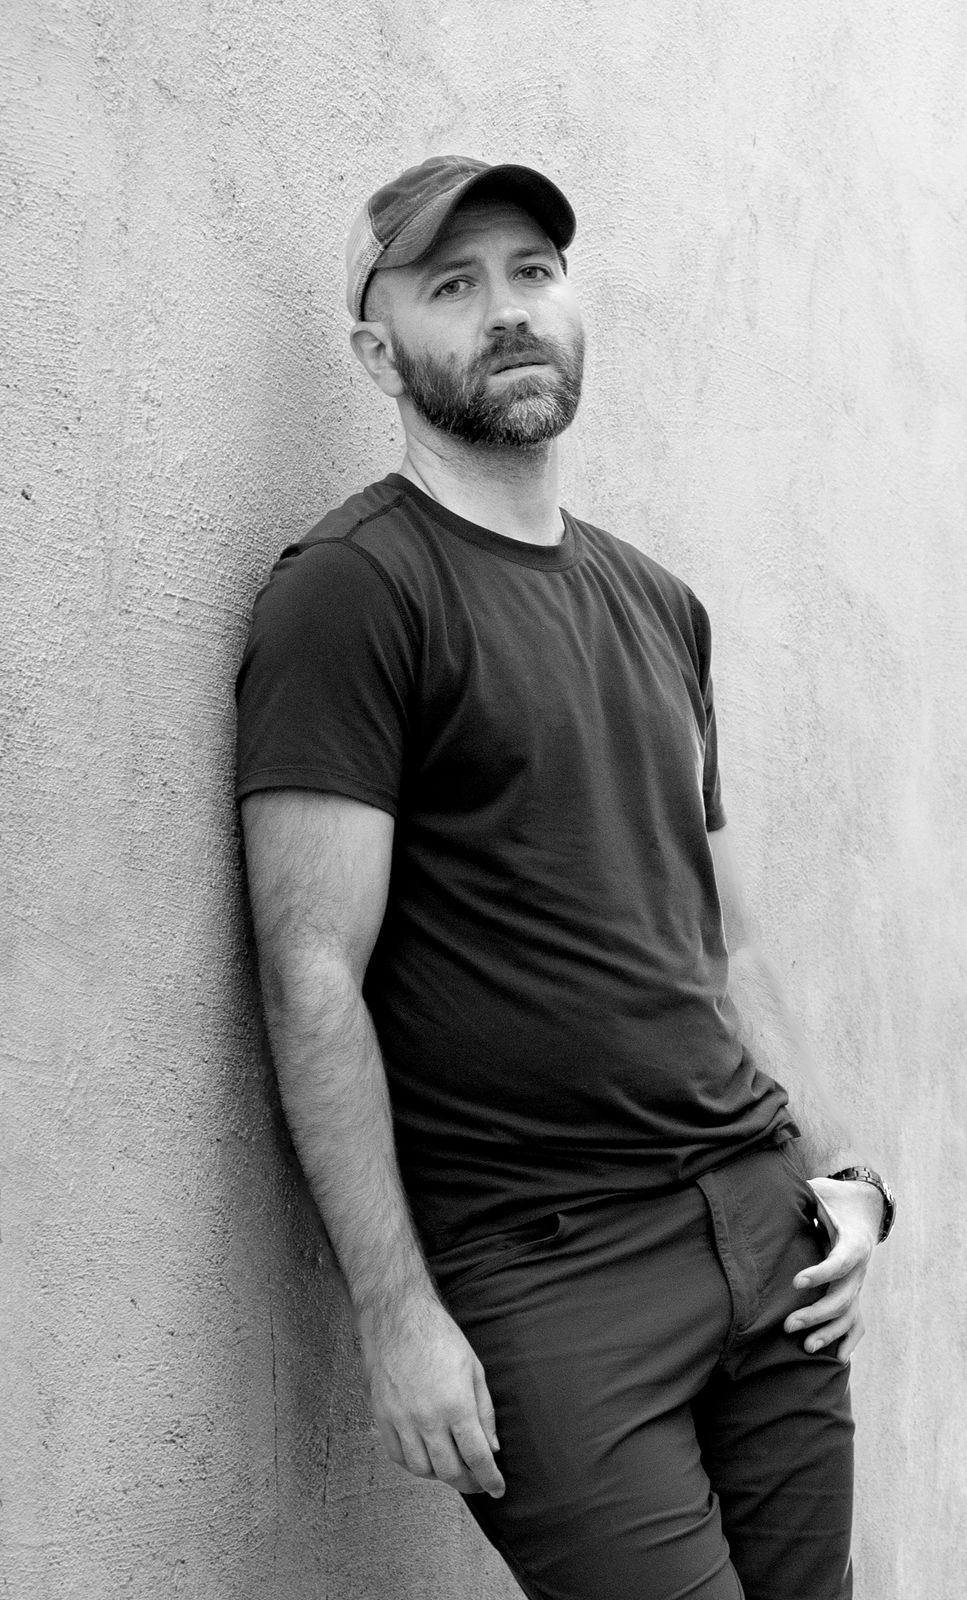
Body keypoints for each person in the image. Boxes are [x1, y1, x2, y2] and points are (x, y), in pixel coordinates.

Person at [235, 155, 895, 1600]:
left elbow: (724, 936)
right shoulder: (353, 593)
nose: (508, 311)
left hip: (763, 1227)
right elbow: (310, 974)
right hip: (549, 1273)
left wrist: (846, 1177)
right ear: (377, 351)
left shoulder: (659, 602)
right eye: (452, 286)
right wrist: (393, 1312)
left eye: (532, 273)